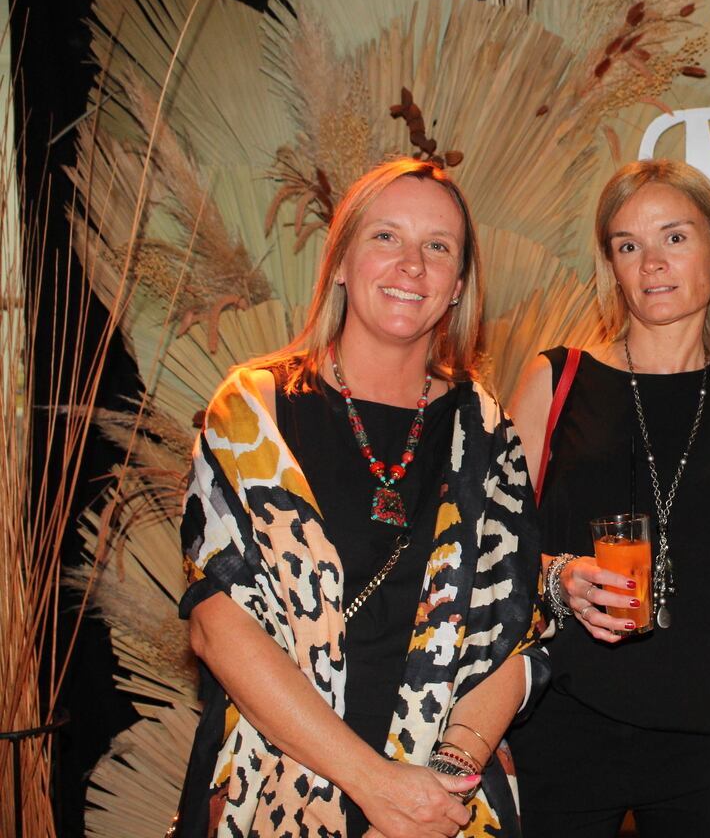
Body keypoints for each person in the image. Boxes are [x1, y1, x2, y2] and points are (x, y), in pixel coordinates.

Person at [176, 157, 548, 838]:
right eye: (386, 237)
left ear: (459, 285)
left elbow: (516, 642)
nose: (412, 265)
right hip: (269, 793)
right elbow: (217, 623)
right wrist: (374, 786)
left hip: (439, 811)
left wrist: (433, 793)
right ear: (341, 262)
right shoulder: (251, 412)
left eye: (438, 247)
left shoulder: (487, 435)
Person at [506, 159, 710, 838]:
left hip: (705, 737)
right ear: (613, 265)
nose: (652, 263)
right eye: (629, 245)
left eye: (675, 238)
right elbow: (491, 552)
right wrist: (558, 577)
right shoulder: (557, 379)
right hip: (560, 719)